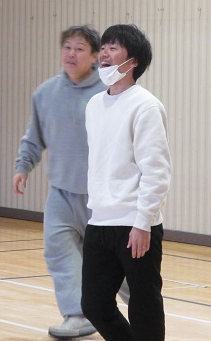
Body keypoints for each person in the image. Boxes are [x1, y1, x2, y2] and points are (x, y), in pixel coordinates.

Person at [12, 25, 129, 340]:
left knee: (115, 264)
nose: (72, 54)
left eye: (80, 49)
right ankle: (77, 315)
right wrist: (23, 166)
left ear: (94, 56)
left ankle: (142, 306)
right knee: (58, 253)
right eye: (67, 47)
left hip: (103, 198)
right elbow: (34, 136)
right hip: (61, 194)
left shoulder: (110, 93)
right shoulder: (45, 93)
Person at [81, 24, 171, 341]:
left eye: (113, 48)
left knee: (144, 306)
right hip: (99, 222)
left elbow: (156, 170)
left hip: (135, 224)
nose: (104, 54)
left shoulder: (146, 105)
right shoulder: (94, 105)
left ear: (133, 61)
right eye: (103, 47)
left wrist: (143, 222)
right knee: (94, 305)